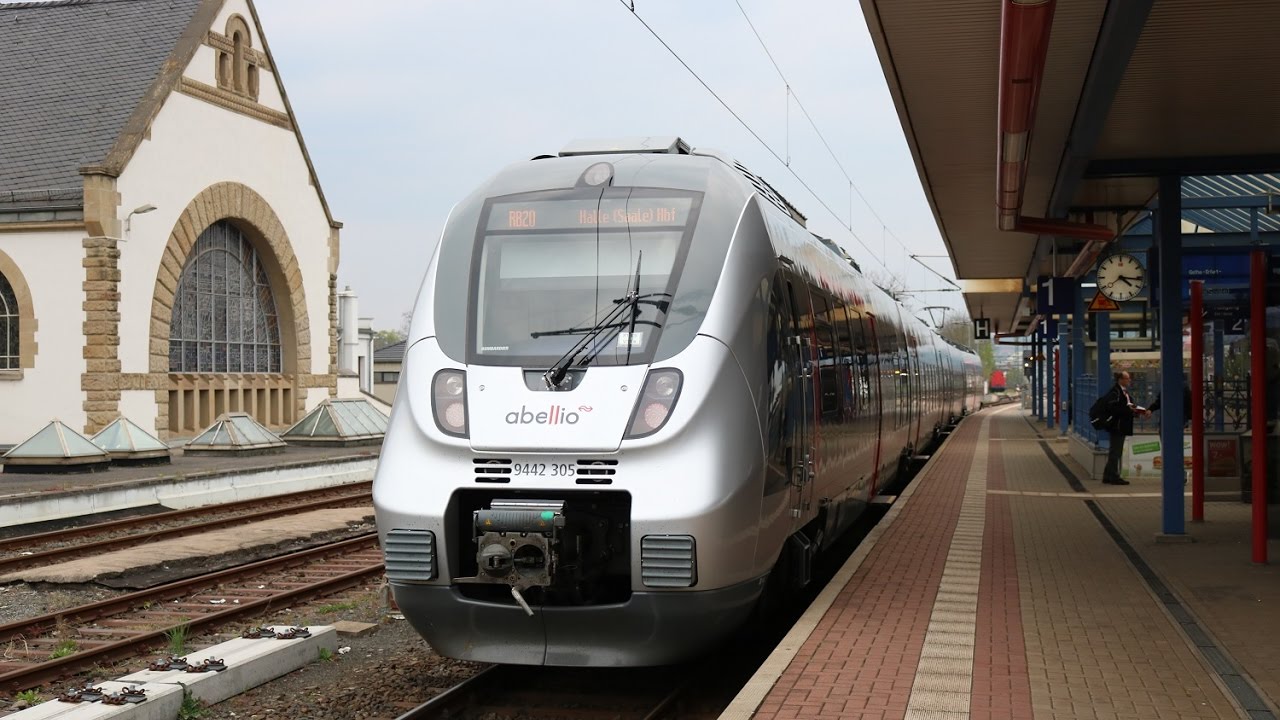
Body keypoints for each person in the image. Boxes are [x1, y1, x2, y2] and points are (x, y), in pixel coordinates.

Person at [1099, 371, 1145, 485]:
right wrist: (1130, 411)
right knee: (1116, 451)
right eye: (1127, 378)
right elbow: (1114, 409)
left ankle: (1108, 475)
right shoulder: (1115, 393)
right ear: (1120, 380)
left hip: (1121, 425)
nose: (1129, 381)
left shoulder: (1123, 392)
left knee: (1115, 451)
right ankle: (1114, 476)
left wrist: (1135, 411)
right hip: (1117, 425)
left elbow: (1127, 405)